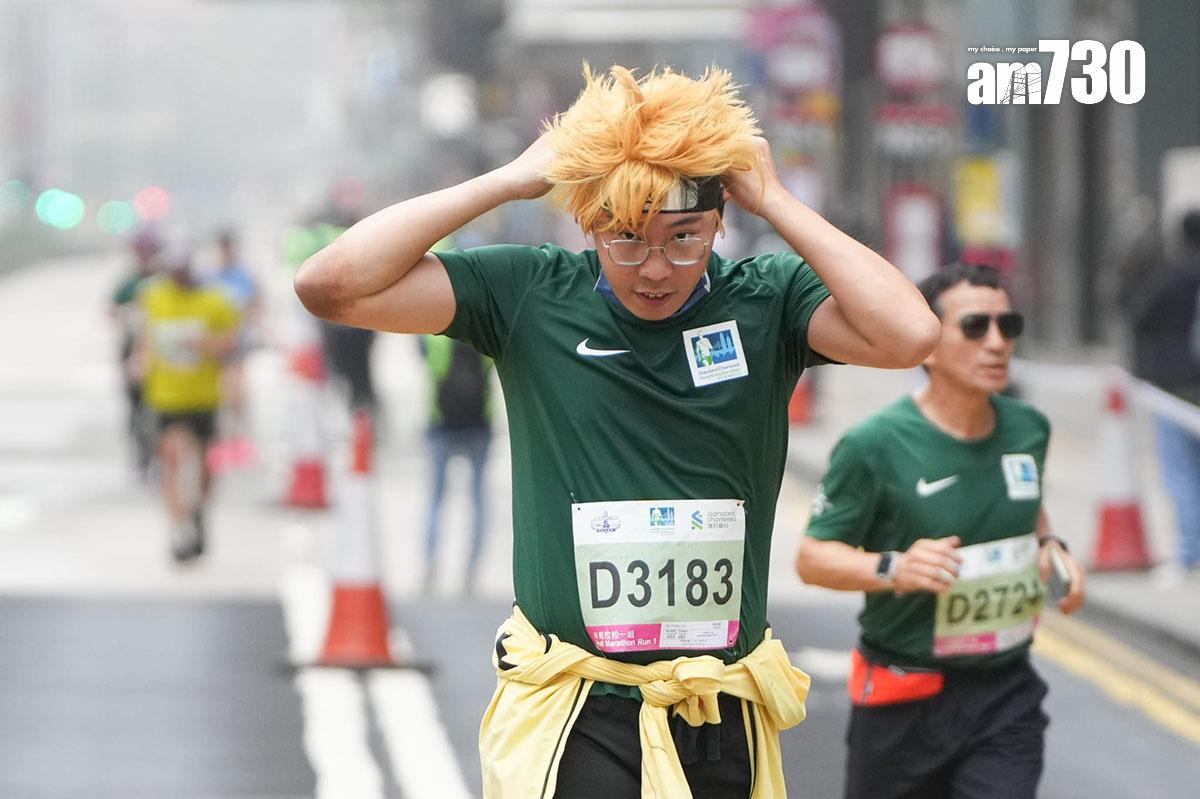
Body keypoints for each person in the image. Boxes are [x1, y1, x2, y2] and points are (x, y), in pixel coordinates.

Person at [296, 64, 939, 797]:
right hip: (581, 707)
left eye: (685, 237)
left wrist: (778, 199)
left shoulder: (768, 301)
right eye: (625, 238)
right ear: (587, 222)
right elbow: (331, 284)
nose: (656, 268)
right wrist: (505, 181)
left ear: (718, 221)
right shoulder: (529, 294)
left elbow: (911, 334)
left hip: (718, 704)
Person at [796, 263, 1087, 799]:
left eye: (1009, 326)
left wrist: (1050, 545)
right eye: (975, 327)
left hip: (1005, 693)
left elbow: (1028, 507)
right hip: (901, 698)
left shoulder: (1029, 429)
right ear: (927, 344)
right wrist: (894, 567)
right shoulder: (874, 445)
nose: (997, 343)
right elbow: (813, 558)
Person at [136, 237, 240, 562]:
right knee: (172, 460)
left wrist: (204, 344)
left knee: (206, 463)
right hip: (166, 396)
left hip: (204, 395)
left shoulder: (215, 301)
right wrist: (140, 362)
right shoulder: (154, 296)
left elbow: (231, 344)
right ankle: (178, 529)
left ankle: (198, 510)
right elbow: (147, 336)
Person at [1126, 210, 1200, 579]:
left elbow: (1139, 317)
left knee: (1181, 473)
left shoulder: (1173, 275)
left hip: (1173, 388)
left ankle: (1189, 554)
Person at [420, 333, 494, 595]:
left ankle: (430, 566)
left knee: (436, 498)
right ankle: (471, 571)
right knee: (478, 500)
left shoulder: (433, 335)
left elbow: (423, 359)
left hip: (441, 421)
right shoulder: (483, 333)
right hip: (479, 423)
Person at [205, 228, 262, 469]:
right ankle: (222, 440)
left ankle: (239, 439)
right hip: (216, 341)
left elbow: (255, 304)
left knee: (237, 392)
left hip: (237, 340)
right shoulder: (210, 276)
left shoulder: (244, 275)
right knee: (221, 393)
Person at [110, 227, 161, 480]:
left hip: (161, 351)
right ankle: (140, 454)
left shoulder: (165, 281)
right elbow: (110, 311)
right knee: (135, 405)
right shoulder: (128, 283)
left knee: (161, 406)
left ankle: (159, 453)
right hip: (132, 347)